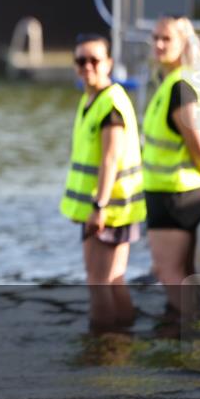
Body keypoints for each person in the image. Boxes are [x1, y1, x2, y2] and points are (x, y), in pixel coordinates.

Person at [142, 16, 200, 314]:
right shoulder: (175, 82)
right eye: (155, 37)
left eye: (166, 38)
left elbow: (197, 141)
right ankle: (197, 328)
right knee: (182, 273)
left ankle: (189, 331)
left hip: (174, 194)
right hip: (172, 191)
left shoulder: (181, 87)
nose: (158, 44)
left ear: (183, 44)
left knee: (168, 272)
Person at [60, 34, 146, 330]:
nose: (87, 66)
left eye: (94, 60)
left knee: (98, 281)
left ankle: (103, 345)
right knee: (112, 279)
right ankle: (124, 338)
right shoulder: (91, 99)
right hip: (108, 207)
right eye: (81, 60)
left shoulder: (110, 104)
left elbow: (110, 158)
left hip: (109, 208)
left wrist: (99, 207)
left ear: (108, 63)